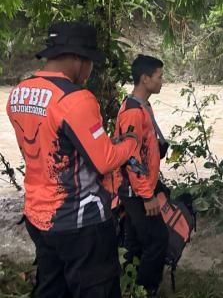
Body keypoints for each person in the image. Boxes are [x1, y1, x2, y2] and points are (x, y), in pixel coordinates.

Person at [6, 21, 139, 297]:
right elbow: (104, 160)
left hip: (39, 218)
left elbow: (51, 145)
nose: (90, 71)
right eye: (90, 62)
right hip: (81, 224)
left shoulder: (17, 94)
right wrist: (130, 143)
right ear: (78, 59)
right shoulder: (76, 98)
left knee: (52, 289)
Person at [114, 55, 169, 297]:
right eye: (159, 77)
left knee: (136, 241)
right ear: (145, 79)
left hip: (142, 185)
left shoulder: (143, 106)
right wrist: (147, 195)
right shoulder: (132, 112)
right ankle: (146, 288)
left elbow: (142, 147)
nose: (162, 81)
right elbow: (129, 157)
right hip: (135, 189)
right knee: (157, 239)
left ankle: (130, 284)